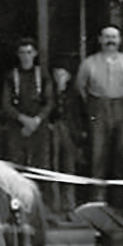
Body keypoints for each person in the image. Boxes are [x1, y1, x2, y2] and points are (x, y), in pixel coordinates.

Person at [76, 26, 123, 198]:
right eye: (106, 37)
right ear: (100, 39)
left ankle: (120, 200)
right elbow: (81, 89)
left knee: (121, 154)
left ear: (120, 40)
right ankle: (97, 197)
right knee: (97, 154)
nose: (110, 41)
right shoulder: (89, 63)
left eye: (114, 37)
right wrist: (94, 107)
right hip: (98, 109)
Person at [0, 38, 53, 168]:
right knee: (16, 164)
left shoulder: (43, 75)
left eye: (29, 52)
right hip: (17, 125)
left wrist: (37, 119)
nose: (26, 56)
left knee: (41, 165)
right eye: (22, 53)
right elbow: (6, 103)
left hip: (39, 125)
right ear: (18, 55)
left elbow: (50, 101)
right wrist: (23, 119)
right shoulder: (11, 75)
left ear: (35, 53)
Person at [49, 66, 83, 214]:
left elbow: (78, 114)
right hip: (54, 128)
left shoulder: (73, 94)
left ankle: (69, 203)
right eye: (56, 74)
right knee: (54, 164)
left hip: (69, 130)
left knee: (69, 166)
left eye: (62, 74)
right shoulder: (50, 91)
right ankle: (54, 203)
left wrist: (79, 133)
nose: (59, 77)